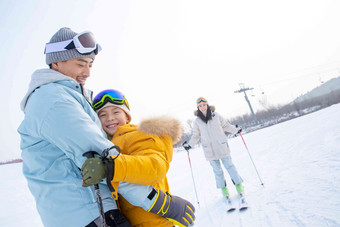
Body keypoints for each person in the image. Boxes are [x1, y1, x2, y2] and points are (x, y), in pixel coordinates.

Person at [18, 27, 195, 227]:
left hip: (93, 210)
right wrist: (159, 202)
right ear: (56, 62)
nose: (87, 72)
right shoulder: (54, 101)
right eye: (80, 64)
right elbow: (103, 161)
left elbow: (140, 165)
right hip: (86, 214)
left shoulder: (63, 97)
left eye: (90, 65)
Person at [81, 89, 192, 227]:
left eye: (116, 112)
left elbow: (154, 167)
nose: (110, 118)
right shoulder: (106, 145)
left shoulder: (138, 135)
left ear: (127, 116)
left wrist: (112, 166)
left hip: (155, 222)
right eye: (103, 115)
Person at [182, 97, 244, 199]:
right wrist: (190, 145)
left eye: (204, 105)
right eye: (200, 106)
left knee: (230, 167)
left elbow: (226, 126)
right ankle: (224, 191)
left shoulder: (216, 115)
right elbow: (196, 135)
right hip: (209, 150)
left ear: (207, 105)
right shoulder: (197, 121)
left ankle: (239, 186)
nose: (202, 107)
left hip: (221, 146)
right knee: (217, 171)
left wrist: (236, 130)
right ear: (198, 108)